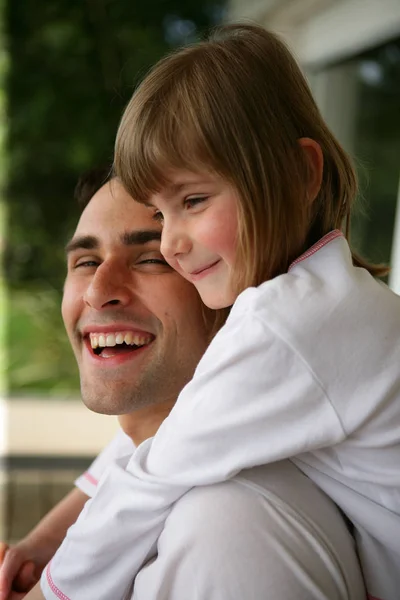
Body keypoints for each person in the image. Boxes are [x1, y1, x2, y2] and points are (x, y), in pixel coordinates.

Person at [36, 22, 400, 600]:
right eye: (164, 212)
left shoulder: (282, 328)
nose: (176, 242)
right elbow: (164, 440)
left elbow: (156, 472)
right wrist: (42, 542)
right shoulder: (325, 298)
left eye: (194, 201)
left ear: (300, 174)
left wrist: (47, 591)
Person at [14, 172, 366, 599]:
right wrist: (40, 549)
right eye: (86, 262)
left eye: (151, 260)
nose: (97, 292)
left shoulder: (229, 529)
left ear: (237, 294)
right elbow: (135, 461)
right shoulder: (183, 447)